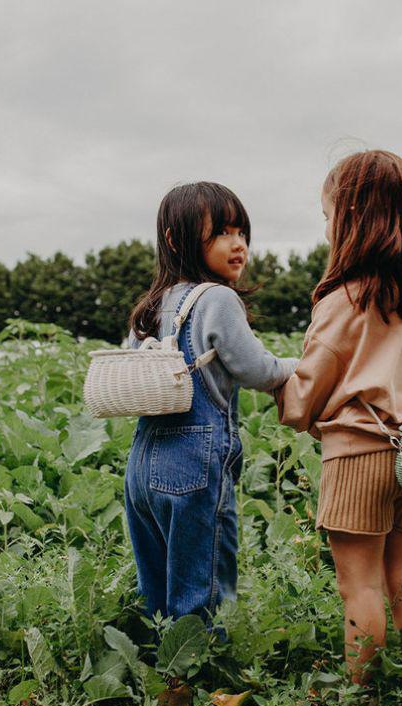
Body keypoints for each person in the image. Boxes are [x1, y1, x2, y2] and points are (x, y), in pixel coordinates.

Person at [275, 150, 402, 683]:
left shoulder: (346, 298)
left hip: (360, 453)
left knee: (358, 586)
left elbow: (307, 391)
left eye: (329, 214)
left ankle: (360, 702)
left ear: (353, 219)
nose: (327, 226)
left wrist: (280, 392)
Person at [125, 182, 298, 631]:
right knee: (202, 588)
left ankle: (162, 669)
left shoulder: (149, 307)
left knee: (157, 588)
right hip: (194, 460)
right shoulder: (217, 299)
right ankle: (198, 679)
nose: (238, 243)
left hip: (143, 461)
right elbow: (259, 370)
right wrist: (303, 365)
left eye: (241, 231)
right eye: (222, 232)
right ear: (175, 239)